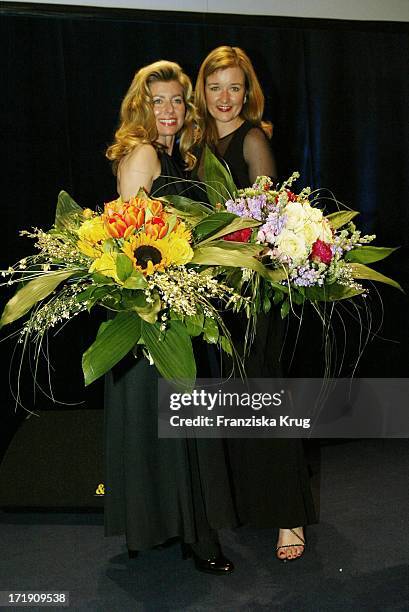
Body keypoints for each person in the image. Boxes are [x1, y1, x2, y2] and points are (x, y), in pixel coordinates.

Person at [104, 60, 237, 574]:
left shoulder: (175, 156)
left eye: (178, 100)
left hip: (174, 304)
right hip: (152, 309)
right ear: (141, 106)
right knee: (173, 421)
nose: (169, 110)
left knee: (173, 423)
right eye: (158, 101)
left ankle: (168, 529)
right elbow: (131, 237)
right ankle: (195, 537)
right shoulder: (142, 153)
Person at [195, 46, 317, 562]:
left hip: (254, 291)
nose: (225, 98)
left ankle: (290, 515)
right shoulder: (198, 142)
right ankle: (251, 502)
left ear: (249, 92)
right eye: (215, 87)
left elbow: (270, 220)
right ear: (202, 91)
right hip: (217, 290)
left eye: (235, 88)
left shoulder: (250, 139)